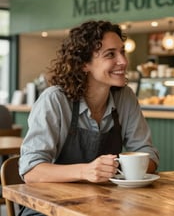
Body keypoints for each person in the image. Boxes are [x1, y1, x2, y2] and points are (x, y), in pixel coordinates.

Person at [19, 20, 160, 215]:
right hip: (48, 208)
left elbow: (148, 154)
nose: (123, 61)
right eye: (110, 54)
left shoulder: (125, 97)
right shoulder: (55, 99)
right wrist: (86, 171)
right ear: (84, 64)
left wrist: (125, 169)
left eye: (122, 52)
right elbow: (31, 171)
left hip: (104, 206)